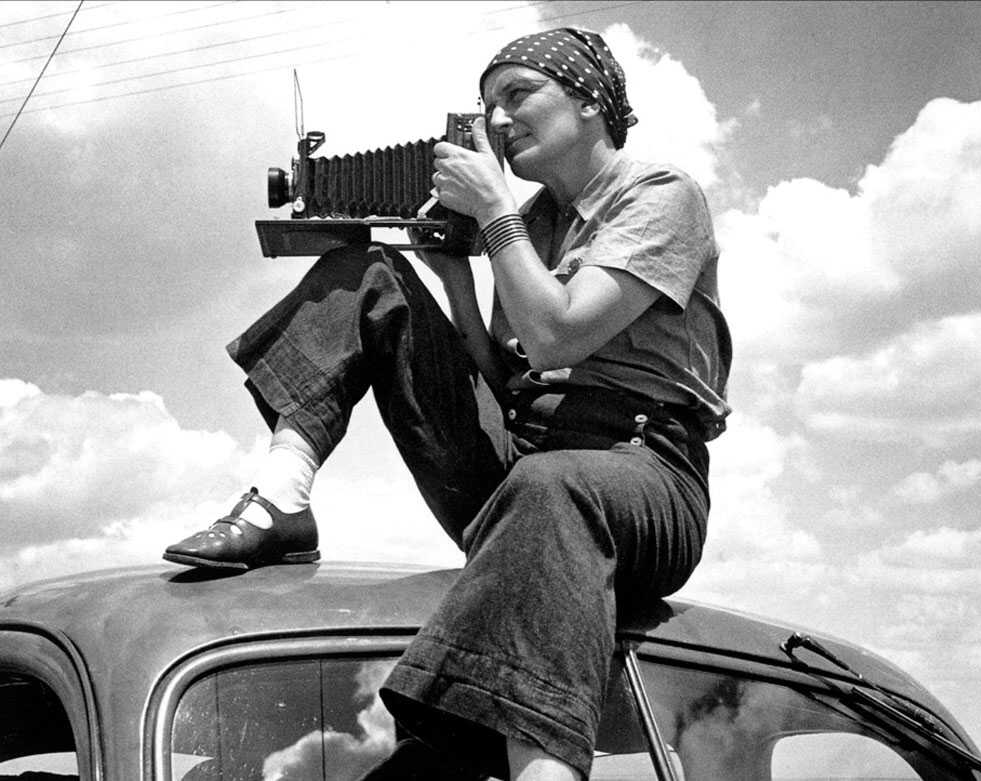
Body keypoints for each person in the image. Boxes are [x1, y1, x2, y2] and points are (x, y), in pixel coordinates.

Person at [164, 27, 730, 781]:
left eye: (519, 96)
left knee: (551, 487)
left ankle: (540, 769)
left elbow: (560, 334)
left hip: (642, 472)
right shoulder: (529, 226)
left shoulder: (660, 195)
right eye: (488, 105)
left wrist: (493, 215)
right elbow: (513, 378)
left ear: (591, 100)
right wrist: (455, 280)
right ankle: (283, 496)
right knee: (373, 274)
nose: (498, 121)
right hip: (530, 464)